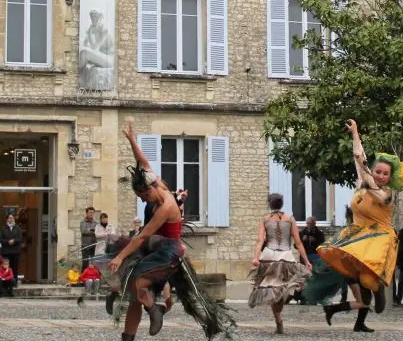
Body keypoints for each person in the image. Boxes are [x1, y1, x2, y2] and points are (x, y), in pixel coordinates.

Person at [104, 120, 234, 340]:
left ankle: (154, 309)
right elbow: (142, 161)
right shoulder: (155, 181)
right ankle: (130, 328)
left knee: (137, 282)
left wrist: (120, 256)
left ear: (153, 188)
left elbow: (144, 234)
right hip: (152, 247)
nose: (144, 200)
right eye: (140, 198)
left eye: (144, 196)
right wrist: (132, 141)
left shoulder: (167, 205)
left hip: (167, 253)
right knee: (135, 292)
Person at [307, 119, 403, 333]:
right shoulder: (362, 181)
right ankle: (364, 290)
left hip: (379, 236)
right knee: (352, 266)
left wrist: (368, 178)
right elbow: (359, 158)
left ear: (390, 178)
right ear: (373, 170)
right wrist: (355, 133)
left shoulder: (387, 194)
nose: (380, 176)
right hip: (356, 233)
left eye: (385, 173)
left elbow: (378, 195)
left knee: (369, 279)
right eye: (378, 171)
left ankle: (377, 289)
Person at [248, 193, 312, 334]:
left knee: (272, 288)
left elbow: (260, 241)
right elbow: (298, 241)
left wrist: (256, 257)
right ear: (281, 204)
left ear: (270, 204)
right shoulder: (290, 219)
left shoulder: (265, 219)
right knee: (283, 288)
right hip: (285, 256)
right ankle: (279, 317)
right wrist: (306, 261)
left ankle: (278, 320)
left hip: (269, 256)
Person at [0, 211, 23, 279]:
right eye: (9, 218)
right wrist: (8, 242)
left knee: (15, 267)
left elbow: (20, 239)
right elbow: (0, 239)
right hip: (6, 251)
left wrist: (14, 240)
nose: (11, 219)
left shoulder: (18, 228)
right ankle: (6, 281)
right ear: (7, 219)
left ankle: (14, 281)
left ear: (14, 219)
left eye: (12, 218)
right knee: (6, 267)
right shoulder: (3, 228)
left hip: (15, 251)